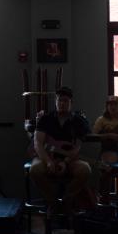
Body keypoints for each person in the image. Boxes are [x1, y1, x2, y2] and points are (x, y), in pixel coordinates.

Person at [28, 86, 94, 222]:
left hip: (69, 159)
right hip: (47, 157)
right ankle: (53, 203)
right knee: (35, 170)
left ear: (71, 102)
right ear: (55, 102)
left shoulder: (79, 121)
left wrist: (65, 162)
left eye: (65, 101)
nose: (62, 103)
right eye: (59, 100)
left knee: (85, 169)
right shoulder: (45, 119)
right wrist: (48, 161)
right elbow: (38, 143)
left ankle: (66, 201)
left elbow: (76, 149)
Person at [92, 95, 118, 201]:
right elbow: (93, 135)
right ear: (107, 107)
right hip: (109, 147)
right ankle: (105, 197)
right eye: (110, 104)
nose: (113, 107)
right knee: (107, 166)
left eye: (115, 104)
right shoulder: (101, 120)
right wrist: (108, 135)